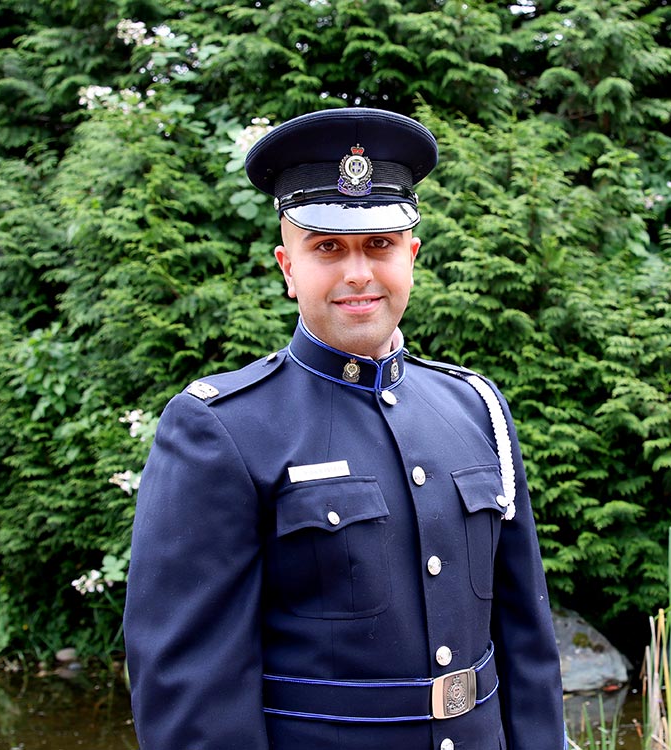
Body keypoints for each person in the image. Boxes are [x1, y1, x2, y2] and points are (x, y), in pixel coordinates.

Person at [123, 107, 566, 750]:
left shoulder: (475, 409)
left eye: (380, 245)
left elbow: (527, 644)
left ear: (411, 255)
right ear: (286, 266)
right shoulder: (223, 429)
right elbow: (191, 694)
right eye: (328, 247)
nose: (358, 271)